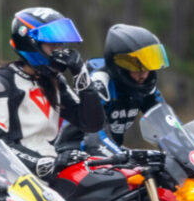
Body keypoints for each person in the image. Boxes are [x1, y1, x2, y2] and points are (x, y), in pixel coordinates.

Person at [0, 6, 105, 180]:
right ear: (30, 42)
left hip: (50, 170)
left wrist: (79, 72)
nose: (59, 50)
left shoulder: (54, 80)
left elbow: (92, 123)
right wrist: (45, 164)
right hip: (15, 176)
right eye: (52, 44)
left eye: (60, 44)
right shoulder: (0, 83)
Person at [66, 24, 170, 156]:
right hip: (73, 154)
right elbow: (94, 138)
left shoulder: (145, 87)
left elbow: (169, 125)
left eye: (147, 67)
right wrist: (124, 158)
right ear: (119, 65)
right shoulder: (99, 84)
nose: (144, 75)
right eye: (137, 68)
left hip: (107, 154)